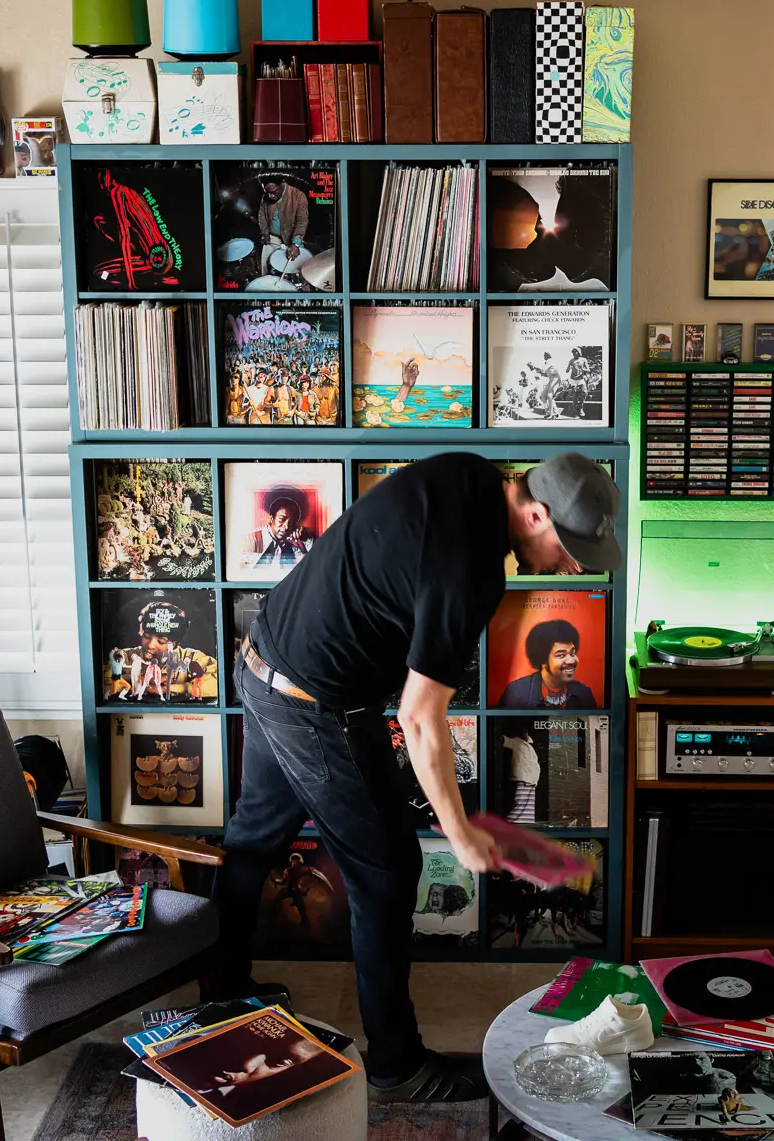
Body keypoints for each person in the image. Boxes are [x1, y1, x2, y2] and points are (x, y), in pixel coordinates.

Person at [215, 452, 622, 1103]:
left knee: (254, 840)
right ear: (535, 512)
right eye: (569, 548)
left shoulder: (467, 473)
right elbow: (421, 717)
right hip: (314, 700)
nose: (573, 565)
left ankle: (222, 996)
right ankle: (397, 1068)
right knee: (388, 869)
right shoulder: (472, 571)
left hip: (265, 661)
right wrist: (461, 834)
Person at [497, 620, 599, 708]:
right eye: (561, 655)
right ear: (543, 660)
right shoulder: (516, 693)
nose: (571, 661)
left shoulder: (583, 693)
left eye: (572, 653)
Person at [249, 494, 314, 568]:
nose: (286, 527)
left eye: (291, 522)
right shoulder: (251, 540)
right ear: (272, 518)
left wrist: (303, 549)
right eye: (281, 519)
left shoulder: (298, 540)